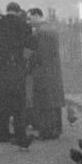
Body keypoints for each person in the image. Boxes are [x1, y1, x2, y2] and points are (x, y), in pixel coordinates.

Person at [0, 2, 33, 142]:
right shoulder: (24, 26)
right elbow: (32, 45)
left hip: (0, 70)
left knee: (2, 102)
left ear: (6, 10)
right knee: (19, 103)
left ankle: (2, 134)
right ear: (17, 11)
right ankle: (20, 133)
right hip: (17, 69)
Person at [25, 8, 65, 139]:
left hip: (43, 72)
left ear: (37, 16)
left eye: (30, 18)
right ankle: (56, 129)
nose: (28, 21)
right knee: (54, 102)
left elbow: (39, 54)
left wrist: (29, 65)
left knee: (44, 102)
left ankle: (47, 132)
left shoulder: (41, 32)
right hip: (52, 70)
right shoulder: (50, 29)